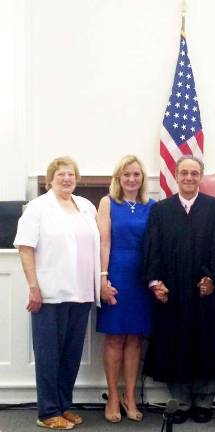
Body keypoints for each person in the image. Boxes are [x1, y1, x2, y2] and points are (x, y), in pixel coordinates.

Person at [142, 155, 215, 424]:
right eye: (184, 173)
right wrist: (155, 282)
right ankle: (180, 402)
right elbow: (152, 248)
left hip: (205, 289)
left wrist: (213, 279)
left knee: (207, 341)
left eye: (194, 173)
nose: (189, 178)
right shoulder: (161, 210)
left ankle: (204, 401)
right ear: (176, 175)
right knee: (175, 342)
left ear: (200, 176)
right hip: (174, 289)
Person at [14, 156, 100, 430]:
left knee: (71, 355)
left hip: (81, 292)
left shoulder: (85, 206)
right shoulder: (38, 208)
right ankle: (47, 411)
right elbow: (25, 248)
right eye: (61, 174)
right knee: (49, 355)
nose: (66, 179)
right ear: (50, 179)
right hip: (50, 294)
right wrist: (33, 287)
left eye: (71, 174)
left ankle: (64, 405)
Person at [96, 155, 155, 423]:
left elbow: (155, 247)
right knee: (115, 337)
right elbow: (104, 243)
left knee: (135, 339)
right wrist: (103, 279)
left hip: (141, 278)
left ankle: (130, 397)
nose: (132, 179)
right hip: (116, 273)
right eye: (126, 174)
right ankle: (113, 395)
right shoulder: (108, 203)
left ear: (142, 179)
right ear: (118, 178)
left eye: (136, 174)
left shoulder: (152, 206)